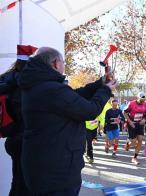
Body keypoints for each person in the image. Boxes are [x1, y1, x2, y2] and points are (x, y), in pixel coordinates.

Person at [18, 47, 116, 195]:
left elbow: (74, 96)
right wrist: (106, 90)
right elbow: (90, 110)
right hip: (56, 171)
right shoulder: (51, 89)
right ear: (56, 63)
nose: (64, 65)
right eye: (63, 62)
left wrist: (100, 83)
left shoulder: (40, 85)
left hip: (45, 165)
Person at [0, 45, 37, 196]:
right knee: (26, 185)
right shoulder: (28, 83)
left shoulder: (6, 79)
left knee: (18, 181)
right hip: (27, 139)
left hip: (12, 137)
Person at [123, 92, 146, 165]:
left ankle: (134, 157)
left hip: (140, 124)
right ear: (137, 98)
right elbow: (124, 113)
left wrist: (145, 120)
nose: (142, 101)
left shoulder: (145, 105)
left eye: (143, 100)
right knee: (134, 142)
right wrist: (130, 122)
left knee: (140, 140)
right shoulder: (131, 104)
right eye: (141, 100)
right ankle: (128, 143)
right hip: (132, 124)